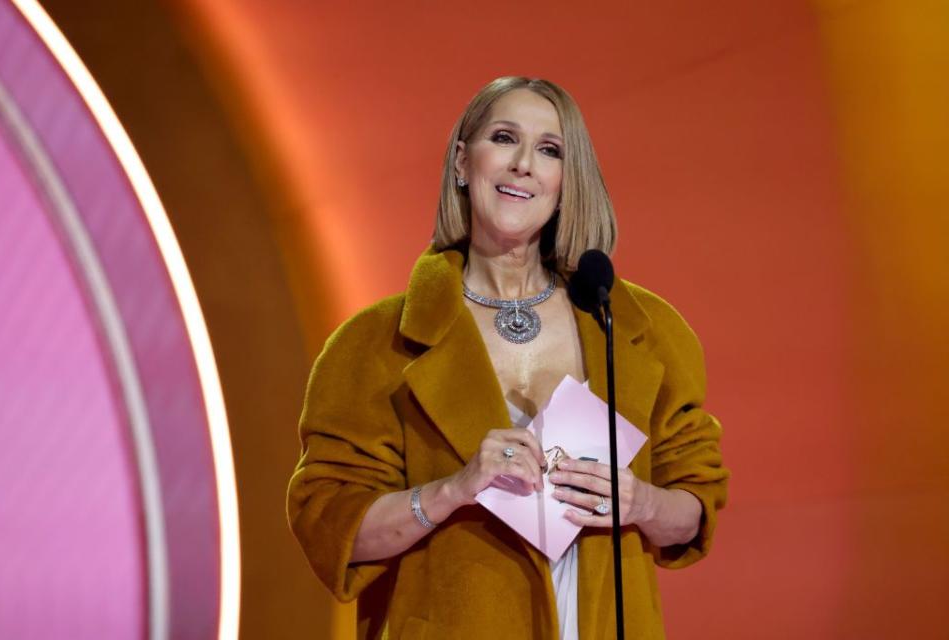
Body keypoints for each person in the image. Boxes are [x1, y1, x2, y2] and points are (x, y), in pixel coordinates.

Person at [287, 76, 729, 640]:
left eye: (550, 150)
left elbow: (697, 503)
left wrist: (641, 502)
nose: (524, 164)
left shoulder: (640, 330)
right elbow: (330, 526)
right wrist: (454, 488)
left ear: (566, 183)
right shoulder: (373, 345)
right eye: (504, 138)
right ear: (461, 163)